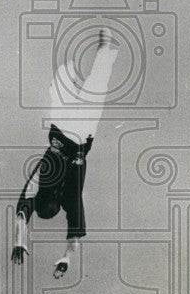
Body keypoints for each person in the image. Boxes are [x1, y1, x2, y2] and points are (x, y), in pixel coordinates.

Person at [11, 27, 118, 278]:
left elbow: (21, 217)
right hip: (76, 134)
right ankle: (101, 51)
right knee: (93, 86)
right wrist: (65, 259)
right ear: (56, 203)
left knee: (63, 86)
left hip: (71, 132)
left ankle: (71, 72)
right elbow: (70, 236)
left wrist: (20, 242)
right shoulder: (69, 199)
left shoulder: (41, 189)